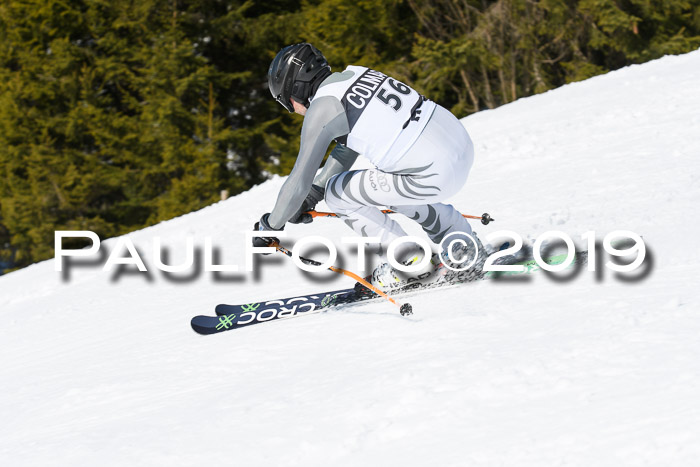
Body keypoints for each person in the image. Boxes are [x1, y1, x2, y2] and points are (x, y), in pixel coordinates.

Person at [253, 43, 487, 291]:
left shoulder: (322, 107)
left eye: (286, 102)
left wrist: (268, 227)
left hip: (433, 174)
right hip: (459, 147)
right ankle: (462, 243)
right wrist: (314, 192)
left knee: (338, 193)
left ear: (295, 89)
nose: (292, 110)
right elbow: (348, 146)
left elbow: (298, 179)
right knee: (390, 183)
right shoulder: (357, 74)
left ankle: (409, 263)